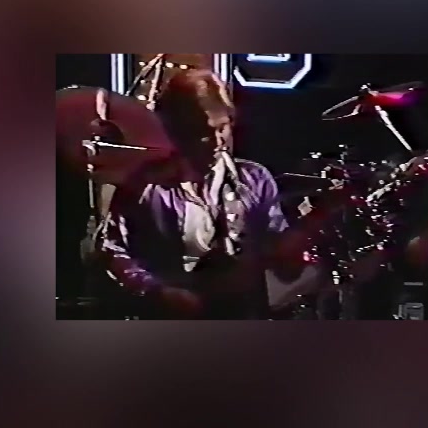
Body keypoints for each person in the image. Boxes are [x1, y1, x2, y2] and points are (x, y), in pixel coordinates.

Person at [94, 69, 290, 319]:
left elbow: (276, 242)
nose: (218, 142)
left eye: (223, 128)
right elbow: (112, 252)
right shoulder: (144, 185)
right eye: (204, 133)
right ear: (177, 132)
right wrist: (158, 292)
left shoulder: (255, 179)